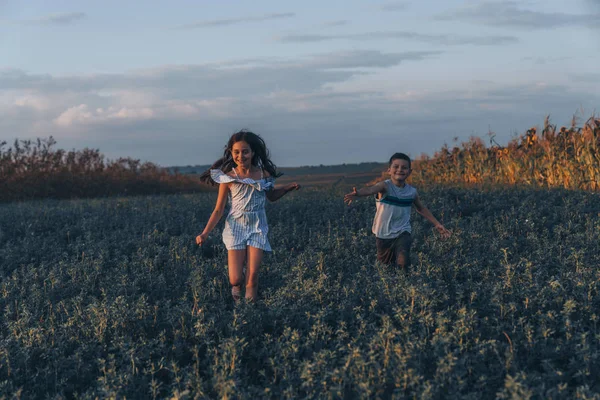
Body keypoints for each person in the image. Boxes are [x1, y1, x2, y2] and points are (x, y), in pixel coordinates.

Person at [197, 130, 300, 302]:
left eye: (245, 151)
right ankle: (237, 289)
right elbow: (218, 210)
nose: (241, 156)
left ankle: (248, 313)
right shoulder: (228, 178)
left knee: (253, 277)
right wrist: (204, 233)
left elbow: (272, 197)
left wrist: (288, 188)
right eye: (236, 152)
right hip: (235, 227)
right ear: (231, 153)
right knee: (235, 279)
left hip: (257, 227)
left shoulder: (263, 175)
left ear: (253, 152)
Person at [344, 152, 451, 272]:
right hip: (383, 235)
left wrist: (437, 224)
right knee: (385, 269)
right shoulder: (385, 186)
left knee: (403, 260)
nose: (400, 170)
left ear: (409, 172)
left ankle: (405, 282)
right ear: (389, 170)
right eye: (396, 167)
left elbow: (421, 208)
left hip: (403, 231)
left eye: (404, 167)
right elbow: (370, 189)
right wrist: (358, 193)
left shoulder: (411, 192)